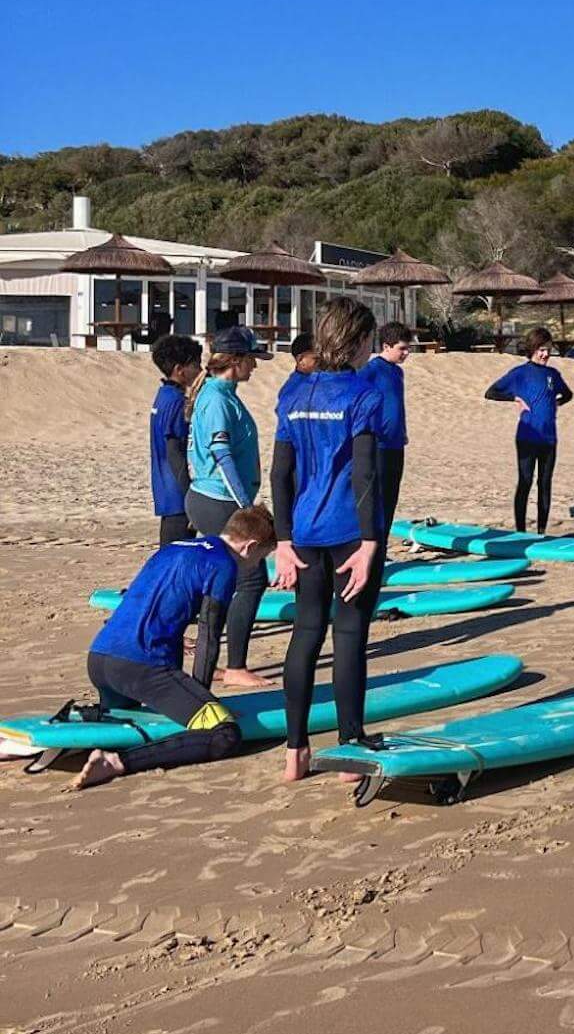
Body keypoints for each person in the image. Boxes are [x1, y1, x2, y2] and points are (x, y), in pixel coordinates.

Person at [73, 505, 277, 792]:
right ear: (250, 546)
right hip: (140, 668)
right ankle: (116, 762)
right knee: (224, 735)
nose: (257, 565)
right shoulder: (224, 565)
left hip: (100, 659)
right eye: (262, 557)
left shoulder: (176, 547)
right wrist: (204, 699)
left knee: (125, 722)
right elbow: (208, 637)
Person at [272, 299, 384, 785]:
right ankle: (350, 745)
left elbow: (279, 473)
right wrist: (370, 543)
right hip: (347, 535)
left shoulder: (292, 395)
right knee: (349, 637)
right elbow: (365, 475)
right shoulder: (363, 393)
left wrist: (282, 540)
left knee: (306, 634)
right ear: (358, 341)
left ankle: (295, 751)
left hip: (303, 532)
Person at [183, 325, 268, 690]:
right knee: (251, 580)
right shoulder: (217, 398)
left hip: (212, 499)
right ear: (235, 361)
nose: (256, 366)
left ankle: (215, 661)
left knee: (224, 581)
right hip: (219, 501)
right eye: (251, 359)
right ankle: (235, 666)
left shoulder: (221, 392)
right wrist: (248, 505)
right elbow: (221, 455)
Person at [485, 328, 573, 533]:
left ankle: (541, 531)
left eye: (548, 350)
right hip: (526, 437)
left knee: (545, 484)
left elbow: (568, 394)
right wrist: (514, 398)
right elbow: (491, 392)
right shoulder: (520, 373)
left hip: (549, 438)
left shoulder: (553, 374)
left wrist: (555, 403)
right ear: (532, 349)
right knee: (525, 482)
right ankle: (521, 531)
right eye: (542, 349)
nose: (546, 354)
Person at [363, 320, 412, 573]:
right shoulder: (371, 369)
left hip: (395, 445)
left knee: (391, 500)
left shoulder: (397, 371)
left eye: (408, 349)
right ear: (386, 346)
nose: (406, 353)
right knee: (377, 503)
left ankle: (382, 553)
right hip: (377, 447)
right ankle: (372, 554)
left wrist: (401, 432)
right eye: (402, 348)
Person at [149, 334, 202, 543]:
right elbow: (175, 452)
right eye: (195, 365)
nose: (199, 370)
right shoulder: (176, 402)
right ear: (180, 370)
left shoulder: (162, 395)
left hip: (165, 492)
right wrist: (189, 497)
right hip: (177, 497)